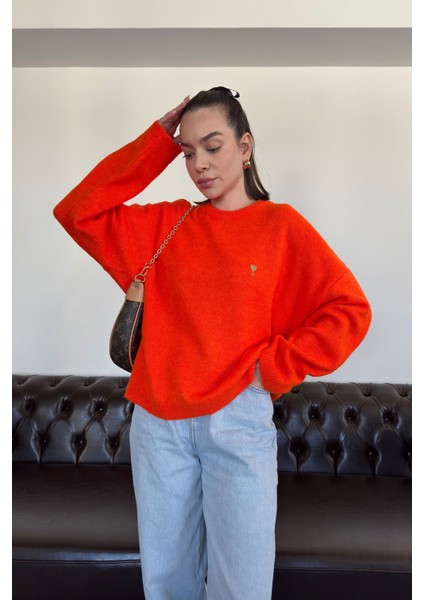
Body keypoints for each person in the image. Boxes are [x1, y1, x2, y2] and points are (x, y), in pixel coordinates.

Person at [54, 86, 372, 600]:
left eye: (213, 146)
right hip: (159, 423)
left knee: (242, 587)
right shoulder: (165, 225)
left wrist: (272, 370)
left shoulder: (280, 227)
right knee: (168, 585)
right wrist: (156, 143)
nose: (198, 163)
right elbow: (76, 212)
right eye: (187, 152)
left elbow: (349, 310)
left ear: (245, 147)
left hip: (237, 420)